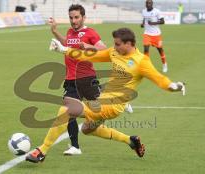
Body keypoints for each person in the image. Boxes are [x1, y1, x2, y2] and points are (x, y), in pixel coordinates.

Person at [25, 27, 185, 163]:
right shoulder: (114, 53)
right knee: (88, 129)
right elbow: (91, 55)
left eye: (118, 44)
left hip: (113, 106)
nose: (114, 47)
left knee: (67, 110)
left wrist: (174, 86)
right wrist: (64, 49)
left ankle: (42, 151)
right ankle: (131, 141)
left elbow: (160, 79)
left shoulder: (141, 61)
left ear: (129, 44)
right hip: (102, 101)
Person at [47, 4, 107, 155]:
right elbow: (67, 43)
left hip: (86, 78)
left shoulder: (90, 32)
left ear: (83, 17)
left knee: (101, 110)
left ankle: (118, 100)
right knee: (69, 111)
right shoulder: (70, 32)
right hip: (71, 79)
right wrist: (55, 32)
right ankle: (75, 146)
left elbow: (103, 49)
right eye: (71, 18)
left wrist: (85, 45)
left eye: (76, 17)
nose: (73, 21)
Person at [141, 0, 168, 73]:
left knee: (160, 50)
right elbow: (144, 18)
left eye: (149, 3)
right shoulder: (143, 11)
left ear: (152, 4)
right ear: (145, 4)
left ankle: (164, 64)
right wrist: (143, 23)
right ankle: (147, 66)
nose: (148, 4)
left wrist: (153, 23)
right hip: (147, 34)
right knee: (146, 49)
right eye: (147, 3)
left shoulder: (157, 11)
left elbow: (163, 21)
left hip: (156, 35)